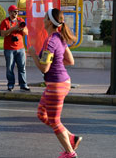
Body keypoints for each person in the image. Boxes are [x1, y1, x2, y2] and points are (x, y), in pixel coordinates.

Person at [28, 8, 82, 158]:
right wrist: (57, 62)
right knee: (41, 114)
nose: (43, 20)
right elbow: (70, 61)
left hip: (56, 85)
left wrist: (33, 55)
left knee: (54, 121)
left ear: (50, 22)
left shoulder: (50, 41)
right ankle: (71, 137)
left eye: (45, 17)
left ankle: (70, 153)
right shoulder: (59, 37)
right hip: (62, 82)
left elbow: (44, 68)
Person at [0, 5, 30, 92]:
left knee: (22, 67)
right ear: (9, 12)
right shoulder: (5, 22)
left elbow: (26, 32)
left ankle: (23, 84)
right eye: (14, 11)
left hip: (20, 48)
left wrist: (22, 29)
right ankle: (10, 84)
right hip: (9, 48)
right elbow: (3, 34)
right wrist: (13, 29)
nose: (16, 13)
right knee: (10, 68)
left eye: (17, 12)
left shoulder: (20, 20)